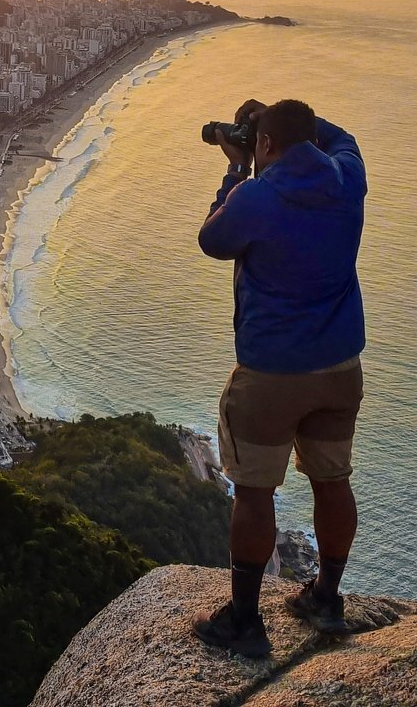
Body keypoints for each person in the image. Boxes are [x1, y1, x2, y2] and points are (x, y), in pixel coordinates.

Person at [192, 98, 367, 659]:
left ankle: (245, 619)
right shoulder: (347, 174)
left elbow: (212, 240)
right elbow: (337, 134)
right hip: (340, 368)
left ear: (265, 144)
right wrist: (275, 120)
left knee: (254, 490)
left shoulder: (256, 196)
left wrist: (237, 165)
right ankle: (326, 598)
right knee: (333, 480)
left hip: (271, 373)